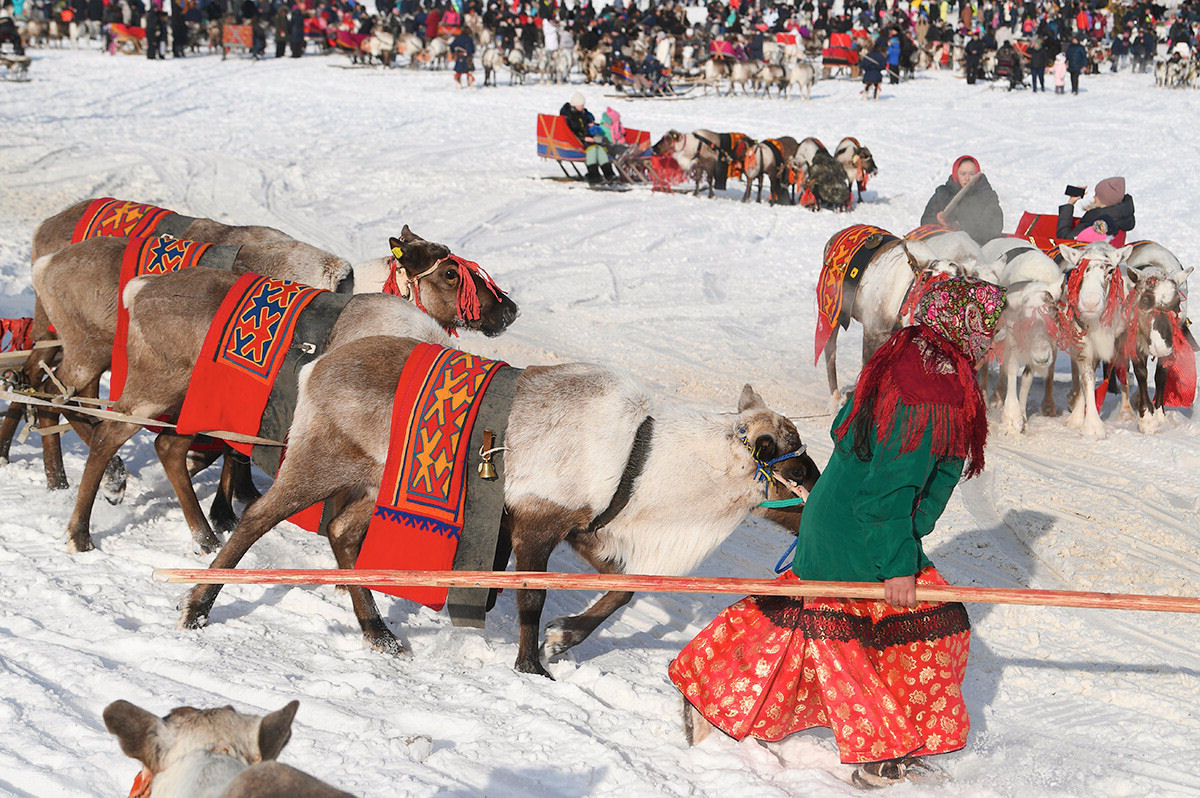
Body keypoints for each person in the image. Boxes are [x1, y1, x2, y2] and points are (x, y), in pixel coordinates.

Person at [670, 276, 1007, 789]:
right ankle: (879, 752)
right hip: (860, 528)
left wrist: (909, 538)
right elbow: (889, 491)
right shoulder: (925, 390)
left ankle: (711, 686)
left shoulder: (916, 358)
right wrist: (897, 563)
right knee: (873, 637)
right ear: (965, 325)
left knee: (827, 623)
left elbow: (862, 440)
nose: (994, 337)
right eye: (989, 326)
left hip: (849, 518)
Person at [920, 155, 1004, 245]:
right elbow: (925, 221)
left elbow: (995, 227)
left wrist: (960, 227)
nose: (967, 178)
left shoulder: (987, 195)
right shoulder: (942, 193)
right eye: (963, 174)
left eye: (972, 174)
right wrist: (937, 220)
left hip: (978, 247)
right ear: (956, 174)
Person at [560, 92, 615, 184]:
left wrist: (591, 123)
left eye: (583, 105)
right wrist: (583, 139)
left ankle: (609, 175)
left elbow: (589, 118)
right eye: (581, 105)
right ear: (575, 105)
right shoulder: (568, 116)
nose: (583, 106)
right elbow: (570, 132)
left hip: (588, 137)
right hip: (576, 141)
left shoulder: (583, 113)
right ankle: (594, 176)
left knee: (600, 149)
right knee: (593, 149)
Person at [1057, 176, 1135, 242]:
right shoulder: (1120, 218)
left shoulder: (1096, 223)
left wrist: (1070, 203)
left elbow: (1065, 239)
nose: (1094, 197)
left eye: (1097, 195)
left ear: (1104, 200)